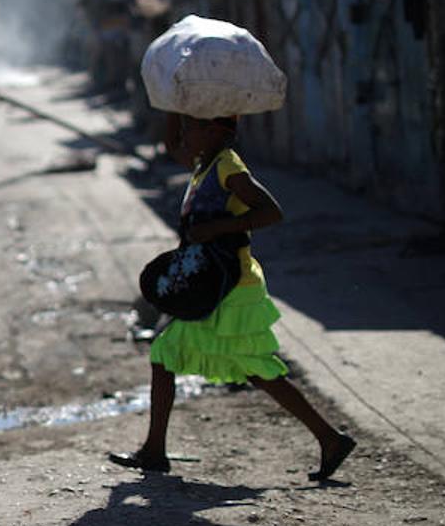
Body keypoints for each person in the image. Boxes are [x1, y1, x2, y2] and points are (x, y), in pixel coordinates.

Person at [109, 112, 357, 481]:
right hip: (215, 281)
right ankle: (155, 450)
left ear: (214, 131)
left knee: (243, 367)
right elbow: (171, 146)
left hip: (232, 286)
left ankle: (330, 438)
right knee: (178, 355)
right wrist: (172, 107)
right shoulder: (203, 165)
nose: (185, 136)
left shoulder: (228, 166)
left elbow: (271, 212)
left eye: (192, 128)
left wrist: (217, 227)